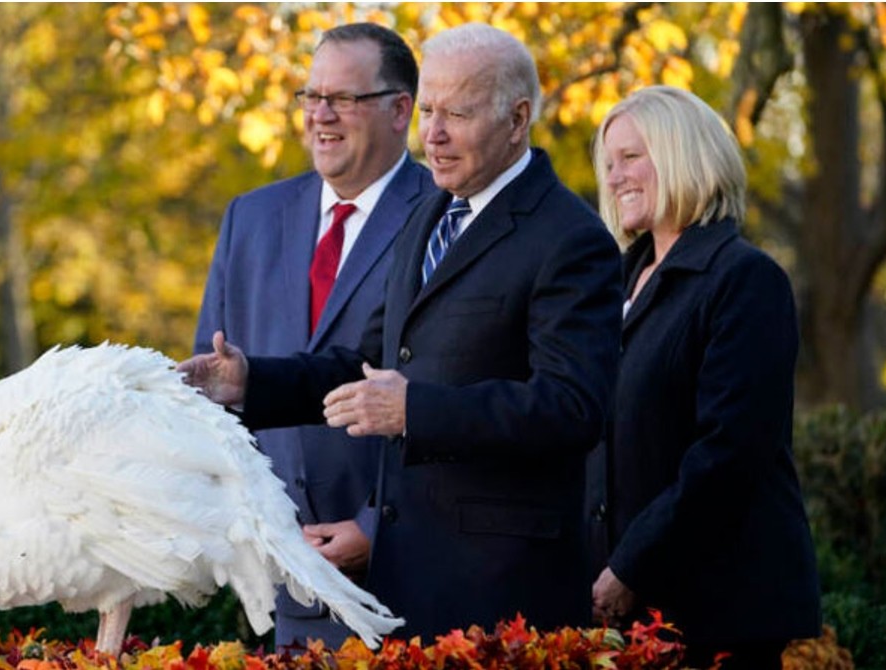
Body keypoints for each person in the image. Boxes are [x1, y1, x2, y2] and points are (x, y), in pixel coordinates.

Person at [180, 23, 622, 643]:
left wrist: (416, 408)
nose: (433, 135)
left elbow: (573, 408)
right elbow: (362, 364)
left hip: (503, 602)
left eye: (457, 115)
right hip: (406, 591)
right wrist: (251, 380)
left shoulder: (570, 239)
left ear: (517, 119)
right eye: (430, 112)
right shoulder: (431, 215)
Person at [193, 23, 435, 649]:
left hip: (417, 577)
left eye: (344, 99)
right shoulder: (250, 217)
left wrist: (375, 526)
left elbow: (455, 386)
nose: (321, 115)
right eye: (311, 96)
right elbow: (212, 396)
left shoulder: (445, 214)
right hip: (282, 586)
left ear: (399, 110)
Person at [586, 85, 820, 669]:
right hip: (619, 610)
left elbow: (729, 452)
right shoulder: (612, 285)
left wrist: (631, 566)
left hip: (714, 612)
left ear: (683, 155)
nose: (614, 177)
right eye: (608, 163)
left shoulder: (744, 279)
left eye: (631, 157)